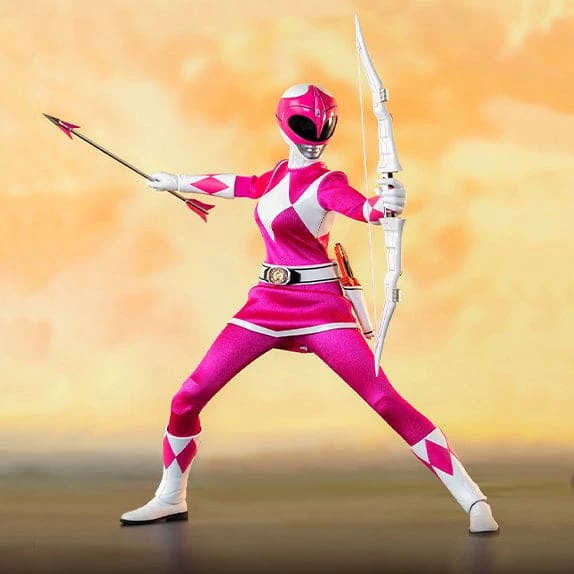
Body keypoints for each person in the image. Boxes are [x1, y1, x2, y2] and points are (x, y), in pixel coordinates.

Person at [120, 83, 499, 534]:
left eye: (325, 126)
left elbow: (361, 208)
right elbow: (241, 184)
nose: (315, 136)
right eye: (305, 124)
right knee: (189, 395)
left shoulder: (328, 183)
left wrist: (385, 206)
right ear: (283, 123)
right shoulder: (279, 173)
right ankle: (170, 496)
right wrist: (178, 182)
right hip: (267, 302)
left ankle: (473, 499)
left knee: (383, 398)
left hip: (320, 306)